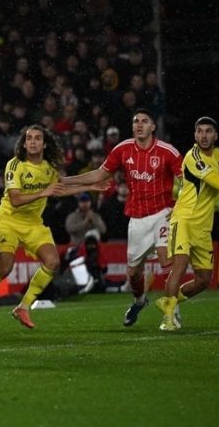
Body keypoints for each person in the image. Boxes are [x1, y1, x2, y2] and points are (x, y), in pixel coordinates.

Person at [61, 108, 182, 327]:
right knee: (134, 273)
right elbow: (99, 174)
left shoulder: (168, 152)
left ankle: (172, 311)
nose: (139, 125)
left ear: (153, 127)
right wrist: (67, 180)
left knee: (166, 260)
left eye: (145, 121)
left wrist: (180, 206)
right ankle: (139, 300)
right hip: (136, 219)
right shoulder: (123, 150)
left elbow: (186, 180)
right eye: (136, 121)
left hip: (164, 213)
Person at [0, 125, 90, 329]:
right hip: (7, 221)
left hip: (33, 224)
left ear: (45, 144)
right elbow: (15, 199)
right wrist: (42, 192)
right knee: (4, 268)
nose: (32, 141)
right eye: (29, 138)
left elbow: (58, 189)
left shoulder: (49, 168)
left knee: (52, 261)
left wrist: (90, 187)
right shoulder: (15, 164)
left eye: (37, 138)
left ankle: (23, 307)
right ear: (24, 143)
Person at [154, 117, 219, 331]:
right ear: (195, 135)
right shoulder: (193, 156)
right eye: (200, 131)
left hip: (204, 226)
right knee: (180, 264)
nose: (204, 136)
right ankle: (168, 318)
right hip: (184, 219)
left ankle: (169, 301)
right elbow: (218, 182)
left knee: (204, 279)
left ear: (216, 135)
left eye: (208, 131)